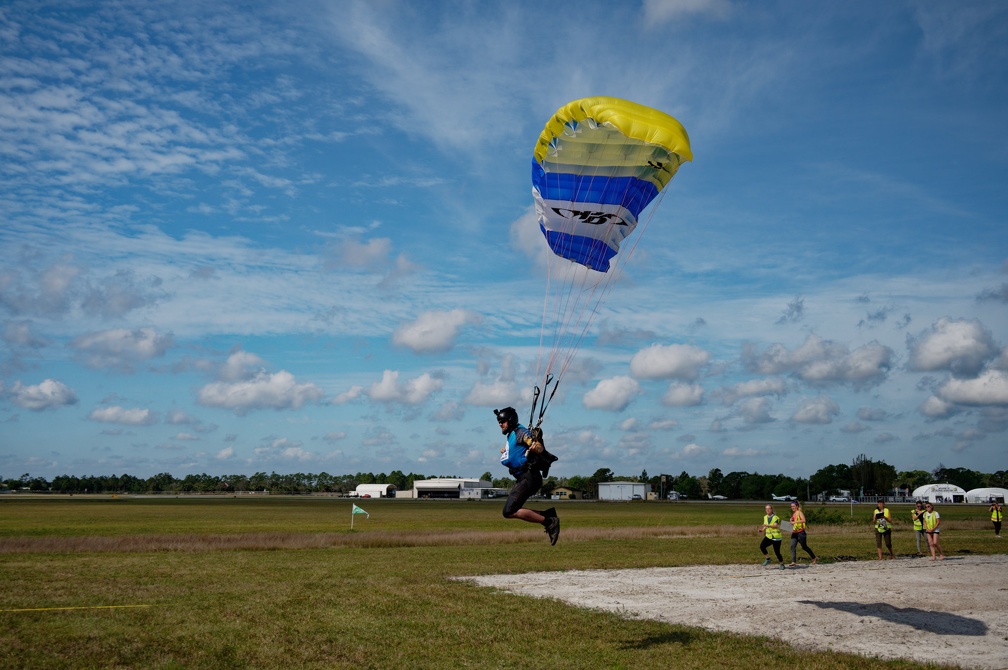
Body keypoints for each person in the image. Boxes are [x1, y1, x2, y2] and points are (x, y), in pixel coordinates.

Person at [493, 407, 560, 545]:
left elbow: (535, 445)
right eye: (499, 421)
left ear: (510, 421)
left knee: (509, 511)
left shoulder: (520, 432)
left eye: (503, 421)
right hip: (525, 477)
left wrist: (536, 446)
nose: (500, 424)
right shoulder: (512, 434)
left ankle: (549, 521)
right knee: (509, 511)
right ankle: (548, 516)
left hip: (529, 476)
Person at [787, 501, 816, 567]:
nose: (792, 508)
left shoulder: (800, 513)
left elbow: (803, 520)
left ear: (797, 506)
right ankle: (793, 561)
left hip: (801, 533)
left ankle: (813, 557)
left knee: (804, 547)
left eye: (793, 506)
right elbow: (794, 523)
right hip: (794, 532)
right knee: (792, 546)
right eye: (791, 506)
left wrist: (794, 522)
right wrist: (791, 521)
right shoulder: (794, 514)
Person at [759, 504, 785, 569]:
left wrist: (767, 525)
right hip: (769, 536)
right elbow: (765, 525)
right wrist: (762, 530)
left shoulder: (776, 517)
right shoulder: (765, 517)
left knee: (777, 552)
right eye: (766, 509)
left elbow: (775, 525)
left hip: (776, 537)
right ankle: (768, 559)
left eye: (769, 508)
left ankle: (782, 564)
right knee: (762, 546)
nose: (767, 510)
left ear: (772, 509)